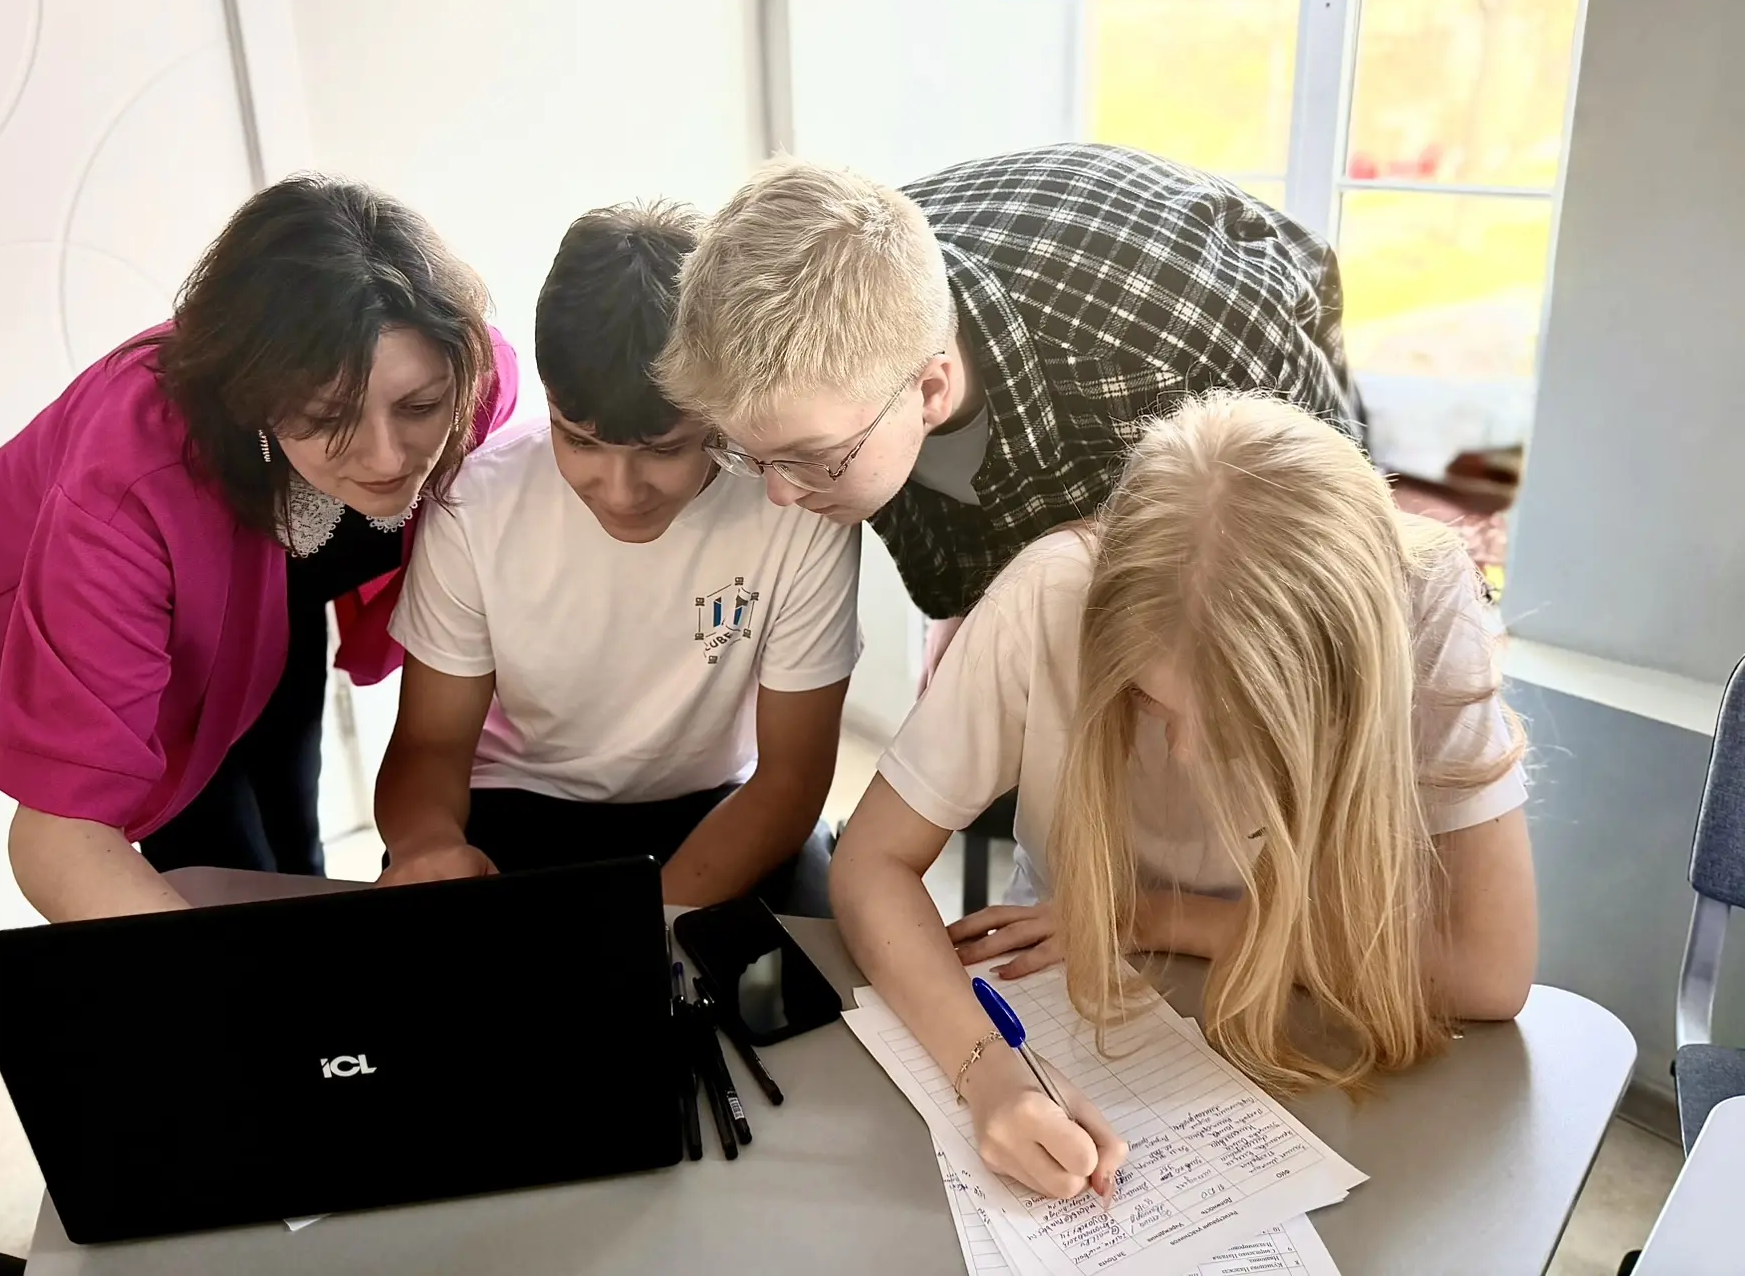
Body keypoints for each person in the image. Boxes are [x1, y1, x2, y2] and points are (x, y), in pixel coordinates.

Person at [828, 393, 1537, 1202]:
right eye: (1148, 700)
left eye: (1241, 724)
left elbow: (1487, 972)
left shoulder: (1427, 604)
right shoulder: (1052, 591)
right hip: (1072, 985)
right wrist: (988, 1072)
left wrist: (1154, 915)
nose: (1189, 753)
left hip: (1315, 1023)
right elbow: (871, 863)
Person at [0, 176, 518, 922]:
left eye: (419, 407)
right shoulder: (128, 490)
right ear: (256, 401)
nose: (387, 458)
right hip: (113, 586)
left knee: (291, 808)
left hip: (280, 559)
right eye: (325, 416)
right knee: (218, 850)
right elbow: (59, 833)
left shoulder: (473, 375)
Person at [656, 144, 1364, 671]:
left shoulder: (1177, 354)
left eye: (810, 459)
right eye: (751, 456)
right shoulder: (847, 304)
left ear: (930, 390)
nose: (779, 494)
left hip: (1226, 345)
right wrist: (971, 613)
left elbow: (1335, 532)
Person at [373, 201, 860, 914]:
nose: (621, 490)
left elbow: (792, 778)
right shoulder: (476, 501)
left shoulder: (796, 506)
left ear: (722, 409)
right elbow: (429, 743)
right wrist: (427, 846)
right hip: (518, 799)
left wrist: (638, 925)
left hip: (722, 809)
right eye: (579, 440)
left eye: (664, 449)